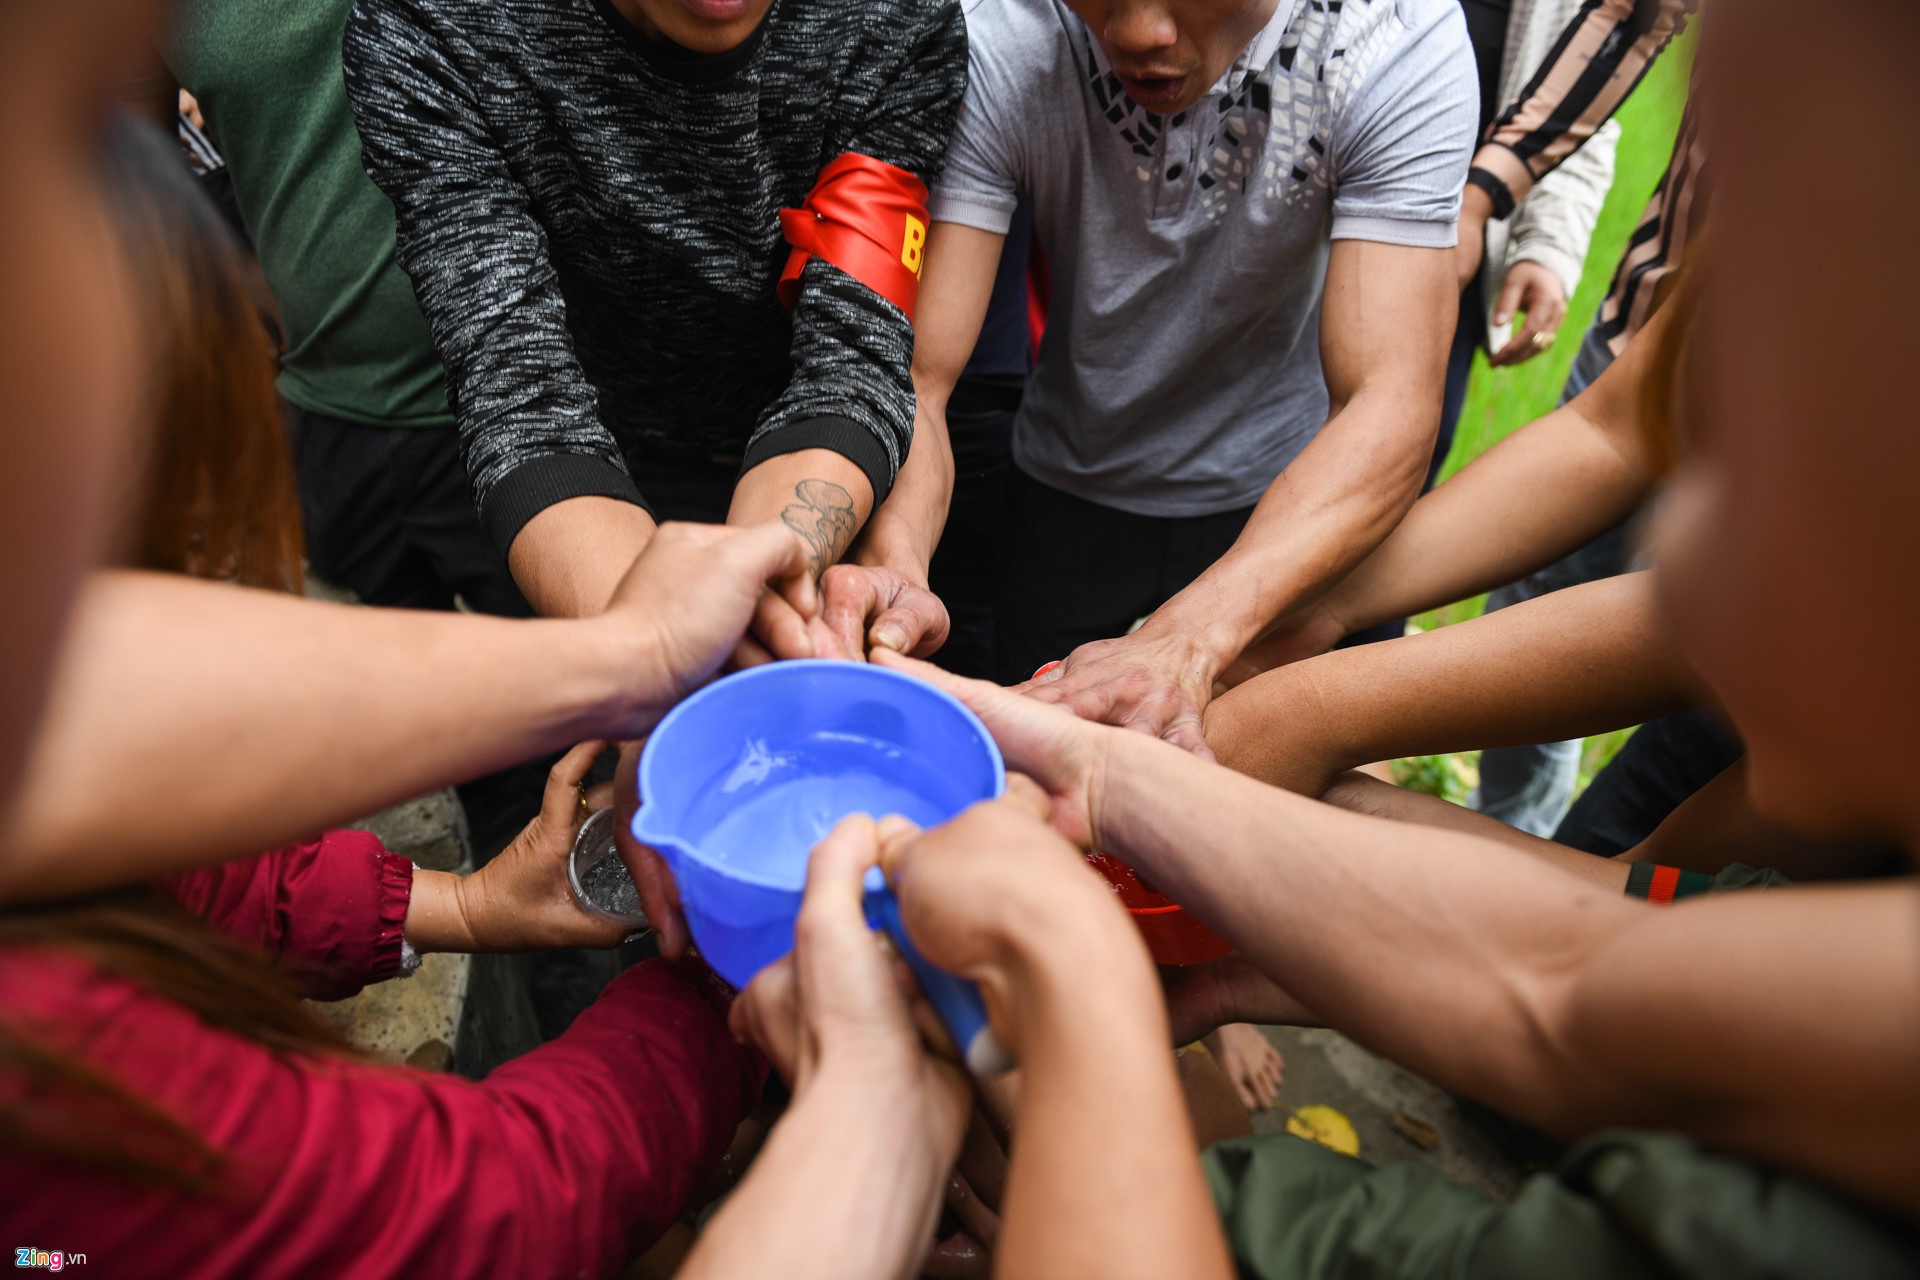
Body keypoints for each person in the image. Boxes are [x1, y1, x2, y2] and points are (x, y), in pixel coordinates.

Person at [0, 8, 834, 1271]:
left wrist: (472, 896)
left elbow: (110, 790)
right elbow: (506, 1190)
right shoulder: (66, 1079)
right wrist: (747, 975)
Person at [903, 0, 1476, 742]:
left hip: (1289, 496)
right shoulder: (1001, 32)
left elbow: (1389, 397)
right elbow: (920, 374)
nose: (1139, 33)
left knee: (1262, 786)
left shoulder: (1393, 35)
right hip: (1069, 476)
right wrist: (900, 566)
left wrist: (1189, 639)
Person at [340, 0, 967, 660]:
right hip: (601, 466)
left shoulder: (899, 14)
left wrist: (740, 613)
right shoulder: (432, 22)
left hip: (833, 458)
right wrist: (653, 655)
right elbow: (522, 396)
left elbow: (851, 361)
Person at [164, 0, 531, 619]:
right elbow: (112, 165)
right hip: (322, 419)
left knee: (580, 691)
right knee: (390, 700)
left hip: (526, 410)